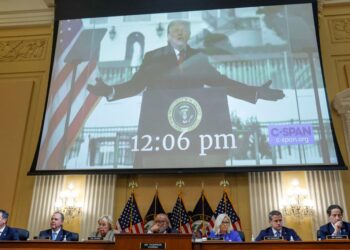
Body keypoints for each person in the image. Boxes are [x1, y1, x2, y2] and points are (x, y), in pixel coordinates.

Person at [88, 20, 285, 168]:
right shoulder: (153, 57)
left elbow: (221, 82)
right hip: (158, 137)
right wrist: (111, 91)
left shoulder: (198, 58)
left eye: (184, 31)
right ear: (168, 35)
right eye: (175, 30)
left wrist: (255, 92)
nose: (180, 33)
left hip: (194, 137)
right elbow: (136, 85)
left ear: (189, 35)